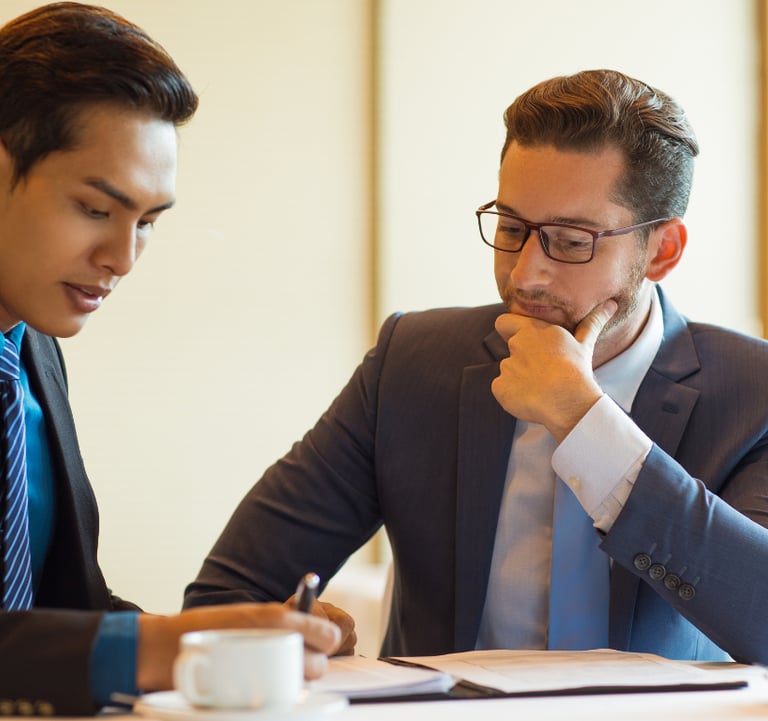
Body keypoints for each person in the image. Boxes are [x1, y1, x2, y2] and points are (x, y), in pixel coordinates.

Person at [186, 68, 768, 666]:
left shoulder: (754, 394)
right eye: (512, 228)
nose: (524, 275)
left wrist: (584, 421)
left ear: (663, 250)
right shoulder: (412, 363)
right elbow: (225, 597)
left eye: (572, 241)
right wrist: (291, 632)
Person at [0, 3, 351, 716]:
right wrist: (165, 644)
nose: (122, 258)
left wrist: (230, 637)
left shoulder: (32, 353)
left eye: (148, 222)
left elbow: (60, 611)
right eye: (96, 210)